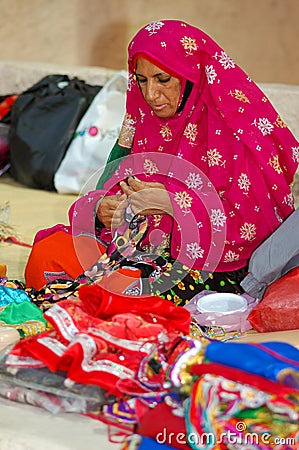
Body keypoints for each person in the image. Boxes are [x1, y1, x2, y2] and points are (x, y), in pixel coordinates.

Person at [24, 20, 299, 306]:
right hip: (136, 252)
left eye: (163, 79)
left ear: (192, 75)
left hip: (209, 270)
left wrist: (173, 205)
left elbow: (252, 230)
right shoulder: (144, 120)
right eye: (141, 81)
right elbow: (111, 187)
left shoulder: (234, 131)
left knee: (125, 299)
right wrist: (100, 210)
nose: (151, 95)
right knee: (49, 253)